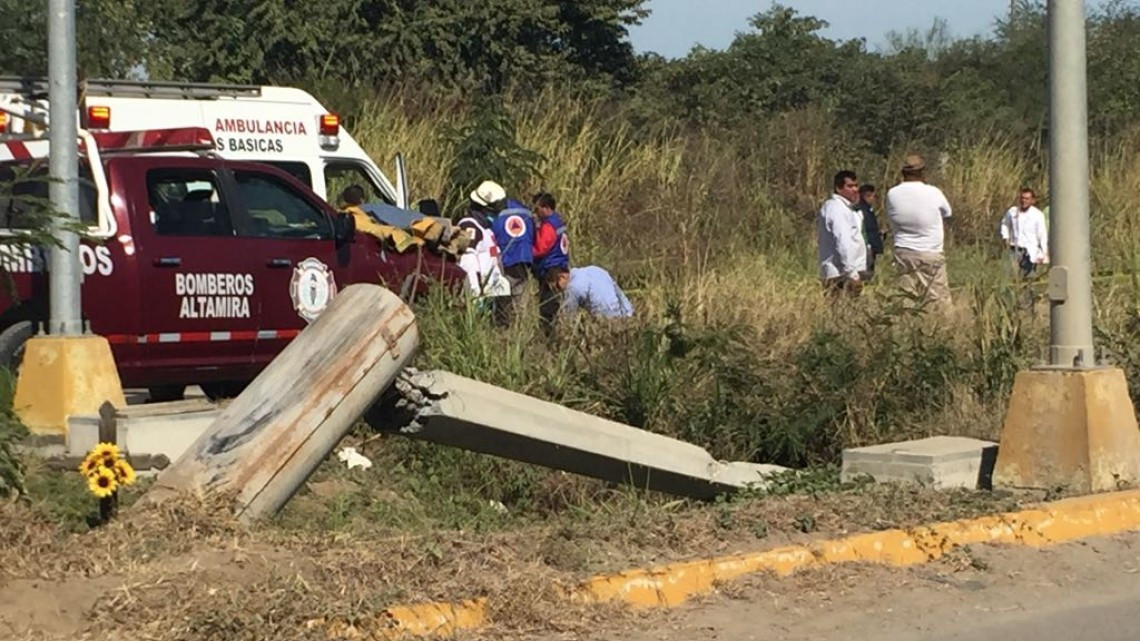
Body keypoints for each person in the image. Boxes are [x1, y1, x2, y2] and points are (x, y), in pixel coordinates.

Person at [885, 154, 953, 306]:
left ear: (903, 173)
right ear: (922, 172)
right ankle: (943, 328)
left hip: (903, 252)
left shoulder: (892, 193)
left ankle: (908, 328)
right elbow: (947, 213)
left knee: (905, 300)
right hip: (930, 252)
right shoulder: (934, 192)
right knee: (938, 301)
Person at [470, 180, 535, 327]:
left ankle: (502, 329)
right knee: (520, 298)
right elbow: (532, 234)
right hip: (525, 258)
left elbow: (492, 240)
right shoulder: (523, 208)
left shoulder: (493, 216)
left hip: (506, 260)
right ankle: (520, 329)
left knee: (502, 298)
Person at [817, 170, 867, 296]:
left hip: (845, 272)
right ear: (838, 188)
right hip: (841, 274)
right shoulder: (837, 209)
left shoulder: (846, 208)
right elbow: (843, 243)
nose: (855, 189)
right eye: (850, 186)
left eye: (856, 185)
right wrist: (852, 274)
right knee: (842, 311)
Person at [531, 191, 570, 334]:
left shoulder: (548, 226)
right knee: (556, 302)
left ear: (546, 208)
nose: (536, 213)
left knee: (548, 305)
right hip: (560, 267)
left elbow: (540, 249)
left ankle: (548, 334)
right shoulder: (558, 222)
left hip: (551, 270)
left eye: (537, 209)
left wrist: (525, 250)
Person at [999, 187, 1049, 279]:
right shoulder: (1012, 211)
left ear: (1032, 201)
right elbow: (1005, 224)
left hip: (1030, 251)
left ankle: (1028, 293)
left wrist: (1044, 254)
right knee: (1009, 276)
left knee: (1029, 278)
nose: (1024, 201)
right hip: (1014, 249)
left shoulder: (1037, 215)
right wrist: (1005, 237)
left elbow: (1042, 235)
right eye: (1022, 198)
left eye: (1027, 199)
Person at [546, 265, 633, 318]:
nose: (558, 291)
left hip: (607, 321)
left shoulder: (573, 288)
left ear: (562, 277)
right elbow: (617, 290)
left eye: (557, 286)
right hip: (624, 312)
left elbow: (568, 317)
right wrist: (630, 312)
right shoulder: (594, 269)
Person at [856, 184, 885, 280]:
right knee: (867, 273)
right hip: (867, 246)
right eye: (874, 196)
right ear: (867, 195)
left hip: (869, 245)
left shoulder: (868, 209)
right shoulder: (862, 210)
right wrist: (873, 245)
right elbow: (867, 229)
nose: (874, 199)